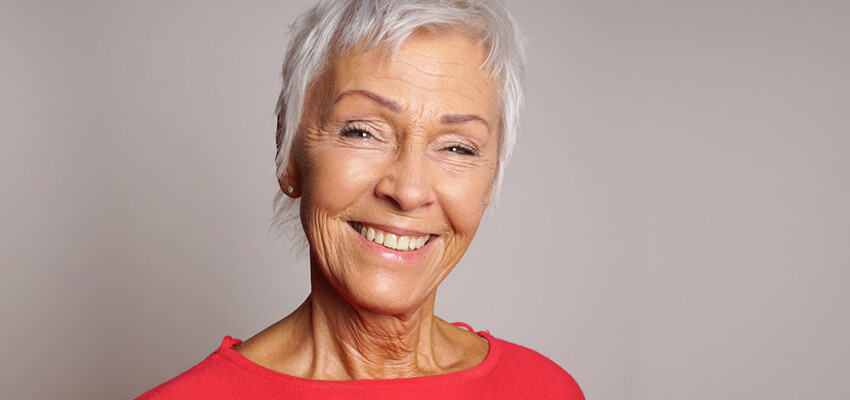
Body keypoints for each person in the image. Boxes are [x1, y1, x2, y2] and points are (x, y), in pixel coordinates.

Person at [138, 0, 584, 398]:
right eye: (362, 132)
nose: (408, 191)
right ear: (288, 152)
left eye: (457, 147)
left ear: (488, 184)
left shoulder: (545, 390)